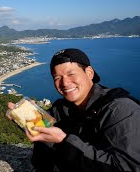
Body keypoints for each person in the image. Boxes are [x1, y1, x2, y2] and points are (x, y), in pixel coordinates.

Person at [7, 48, 140, 172]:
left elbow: (126, 167)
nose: (64, 83)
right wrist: (26, 117)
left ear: (89, 73)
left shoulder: (121, 110)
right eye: (57, 78)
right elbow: (45, 132)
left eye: (71, 74)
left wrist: (63, 142)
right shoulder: (61, 108)